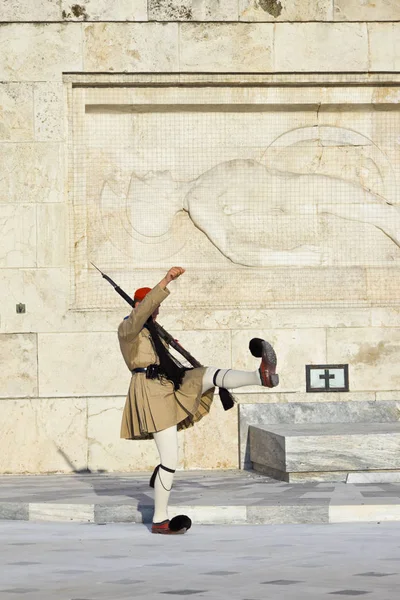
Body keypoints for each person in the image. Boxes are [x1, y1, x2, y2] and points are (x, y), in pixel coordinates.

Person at [118, 266, 279, 535]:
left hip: (169, 386)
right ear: (138, 306)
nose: (155, 313)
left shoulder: (154, 333)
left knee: (207, 374)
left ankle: (259, 376)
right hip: (150, 393)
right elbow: (142, 312)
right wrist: (167, 280)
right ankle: (160, 520)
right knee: (169, 460)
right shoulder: (128, 328)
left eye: (155, 310)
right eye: (150, 308)